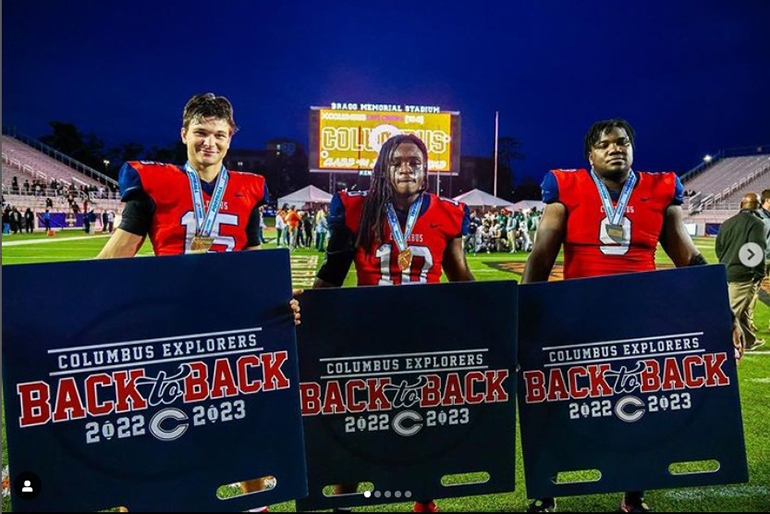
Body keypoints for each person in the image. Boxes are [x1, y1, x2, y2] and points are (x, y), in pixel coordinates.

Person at [94, 93, 300, 506]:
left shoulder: (247, 189)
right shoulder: (155, 181)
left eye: (220, 135)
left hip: (229, 329)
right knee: (152, 433)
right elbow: (114, 259)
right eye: (202, 132)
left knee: (241, 428)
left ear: (231, 137)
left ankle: (254, 506)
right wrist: (66, 296)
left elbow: (253, 262)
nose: (210, 142)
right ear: (184, 133)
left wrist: (281, 299)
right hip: (168, 328)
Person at [522, 119, 711, 513]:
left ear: (632, 148)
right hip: (579, 318)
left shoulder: (660, 189)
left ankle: (633, 494)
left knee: (636, 405)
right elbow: (541, 257)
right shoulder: (566, 186)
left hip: (639, 319)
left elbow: (686, 256)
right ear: (589, 154)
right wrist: (525, 313)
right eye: (605, 144)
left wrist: (715, 304)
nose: (615, 149)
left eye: (622, 142)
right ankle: (547, 488)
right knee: (561, 404)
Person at [314, 134, 474, 513]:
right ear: (384, 167)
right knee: (359, 424)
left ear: (426, 168)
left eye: (415, 161)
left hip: (426, 337)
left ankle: (424, 502)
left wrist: (494, 313)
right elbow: (332, 274)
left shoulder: (447, 212)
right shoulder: (355, 208)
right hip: (370, 337)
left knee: (422, 425)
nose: (406, 167)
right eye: (398, 161)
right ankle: (343, 502)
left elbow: (461, 279)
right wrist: (304, 307)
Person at [716, 193, 767, 352]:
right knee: (732, 314)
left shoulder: (726, 223)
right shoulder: (757, 223)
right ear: (758, 206)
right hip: (744, 275)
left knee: (741, 310)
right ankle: (716, 343)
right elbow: (756, 250)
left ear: (741, 205)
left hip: (726, 271)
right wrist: (759, 273)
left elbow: (719, 248)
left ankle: (750, 340)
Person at [747, 189, 770, 332]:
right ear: (767, 201)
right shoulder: (758, 217)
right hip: (760, 258)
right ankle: (748, 323)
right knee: (753, 291)